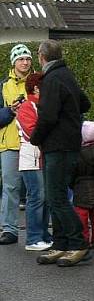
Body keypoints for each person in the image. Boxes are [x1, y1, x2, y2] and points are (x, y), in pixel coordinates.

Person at [31, 40, 92, 267]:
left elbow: (47, 116)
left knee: (56, 196)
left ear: (41, 56)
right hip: (69, 144)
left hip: (58, 145)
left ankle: (78, 242)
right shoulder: (67, 75)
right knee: (56, 195)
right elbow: (85, 103)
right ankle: (60, 243)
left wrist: (35, 139)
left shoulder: (51, 79)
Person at [0, 44, 34, 245]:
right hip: (10, 143)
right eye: (20, 59)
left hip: (33, 142)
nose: (25, 62)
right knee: (11, 187)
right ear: (14, 62)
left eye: (27, 58)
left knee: (36, 190)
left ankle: (36, 231)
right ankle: (9, 229)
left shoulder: (38, 81)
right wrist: (10, 111)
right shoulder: (3, 85)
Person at [15, 72, 52, 251]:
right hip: (30, 160)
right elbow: (32, 133)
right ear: (36, 88)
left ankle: (44, 234)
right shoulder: (27, 107)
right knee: (36, 198)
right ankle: (32, 238)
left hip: (42, 159)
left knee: (44, 199)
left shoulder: (42, 106)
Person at [73, 121, 94, 249]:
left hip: (81, 186)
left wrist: (72, 184)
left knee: (81, 216)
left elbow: (73, 171)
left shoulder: (78, 153)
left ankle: (83, 239)